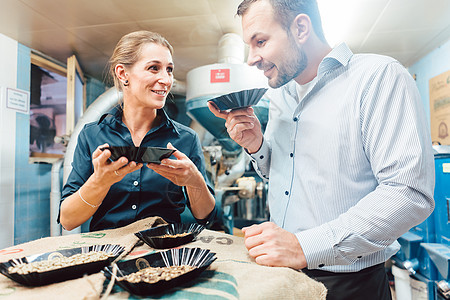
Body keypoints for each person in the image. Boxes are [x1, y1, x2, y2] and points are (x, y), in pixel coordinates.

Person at [208, 0, 435, 299]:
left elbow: (408, 193)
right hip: (283, 275)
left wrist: (304, 246)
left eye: (260, 41)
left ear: (301, 28)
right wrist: (258, 147)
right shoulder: (282, 95)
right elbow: (287, 178)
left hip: (350, 283)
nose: (252, 59)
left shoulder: (378, 77)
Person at [59, 30, 216, 232]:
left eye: (169, 69)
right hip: (109, 255)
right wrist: (98, 183)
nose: (166, 80)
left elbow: (205, 217)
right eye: (154, 68)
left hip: (166, 253)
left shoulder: (186, 138)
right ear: (123, 74)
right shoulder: (92, 135)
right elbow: (68, 220)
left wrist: (195, 181)